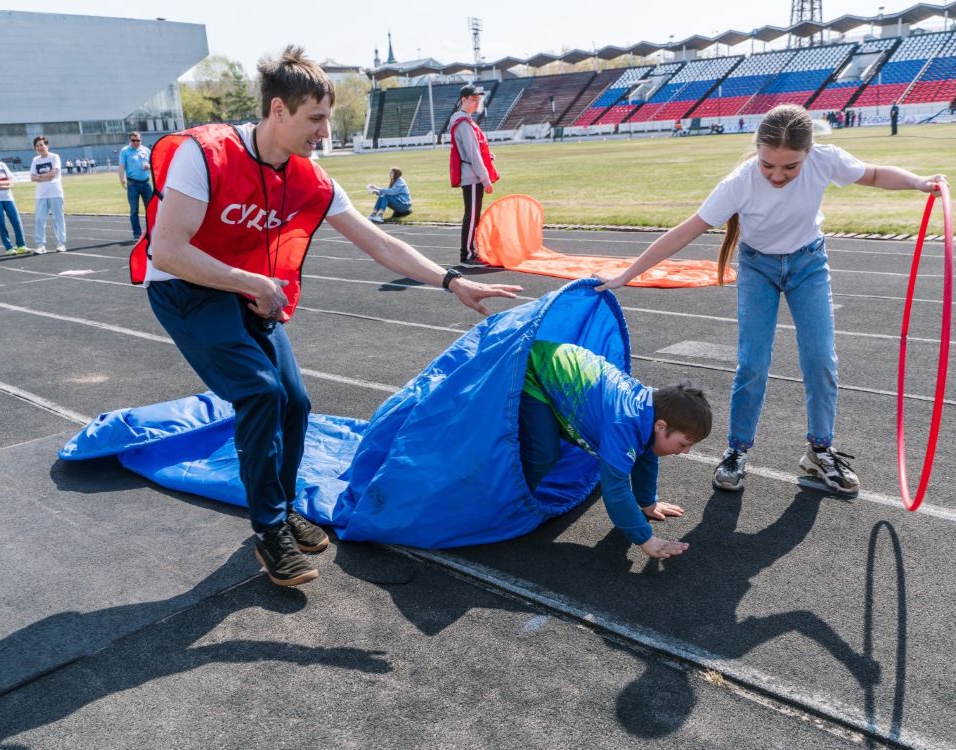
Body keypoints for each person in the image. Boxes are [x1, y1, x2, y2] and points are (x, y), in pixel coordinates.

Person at [130, 45, 522, 589]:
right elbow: (167, 252)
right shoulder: (207, 154)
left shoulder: (309, 176)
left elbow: (378, 241)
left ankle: (284, 503)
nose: (323, 131)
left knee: (295, 401)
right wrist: (251, 281)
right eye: (314, 118)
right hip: (186, 288)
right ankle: (269, 530)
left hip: (248, 290)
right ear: (277, 112)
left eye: (326, 118)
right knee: (260, 393)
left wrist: (451, 281)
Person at [596, 104, 946, 496]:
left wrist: (917, 182)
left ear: (808, 154)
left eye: (790, 167)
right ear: (757, 152)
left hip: (809, 264)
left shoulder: (825, 160)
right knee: (753, 363)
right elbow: (686, 231)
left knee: (820, 360)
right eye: (768, 165)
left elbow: (876, 174)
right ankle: (737, 450)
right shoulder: (740, 181)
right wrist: (628, 273)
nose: (777, 175)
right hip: (757, 269)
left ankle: (819, 449)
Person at [520, 340, 711, 559]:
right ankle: (512, 505)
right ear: (661, 426)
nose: (686, 451)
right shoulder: (624, 423)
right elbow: (616, 491)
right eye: (684, 443)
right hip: (535, 369)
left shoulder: (653, 409)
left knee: (558, 440)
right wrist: (646, 539)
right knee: (544, 454)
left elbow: (646, 454)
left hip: (562, 366)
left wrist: (648, 501)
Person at [448, 84, 498, 266]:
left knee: (473, 216)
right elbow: (472, 153)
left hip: (471, 173)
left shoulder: (464, 120)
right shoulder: (463, 123)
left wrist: (487, 156)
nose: (477, 103)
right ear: (463, 100)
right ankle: (467, 255)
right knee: (472, 216)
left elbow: (473, 150)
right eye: (473, 99)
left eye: (478, 100)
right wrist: (485, 179)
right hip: (472, 176)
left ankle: (471, 251)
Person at [30, 135, 67, 253]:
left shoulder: (54, 157)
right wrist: (45, 176)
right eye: (37, 146)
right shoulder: (35, 160)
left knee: (58, 219)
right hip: (41, 194)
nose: (40, 147)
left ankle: (61, 243)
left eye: (41, 145)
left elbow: (54, 173)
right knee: (39, 219)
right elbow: (32, 177)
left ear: (47, 146)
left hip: (55, 192)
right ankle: (41, 245)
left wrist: (40, 176)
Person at [119, 131, 153, 239]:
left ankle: (151, 231)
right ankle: (137, 233)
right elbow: (121, 166)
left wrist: (149, 166)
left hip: (146, 182)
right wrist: (121, 179)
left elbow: (154, 163)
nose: (136, 142)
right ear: (130, 140)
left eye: (138, 140)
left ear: (141, 140)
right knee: (134, 210)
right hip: (132, 183)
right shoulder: (125, 151)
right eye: (133, 140)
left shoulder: (146, 150)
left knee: (151, 209)